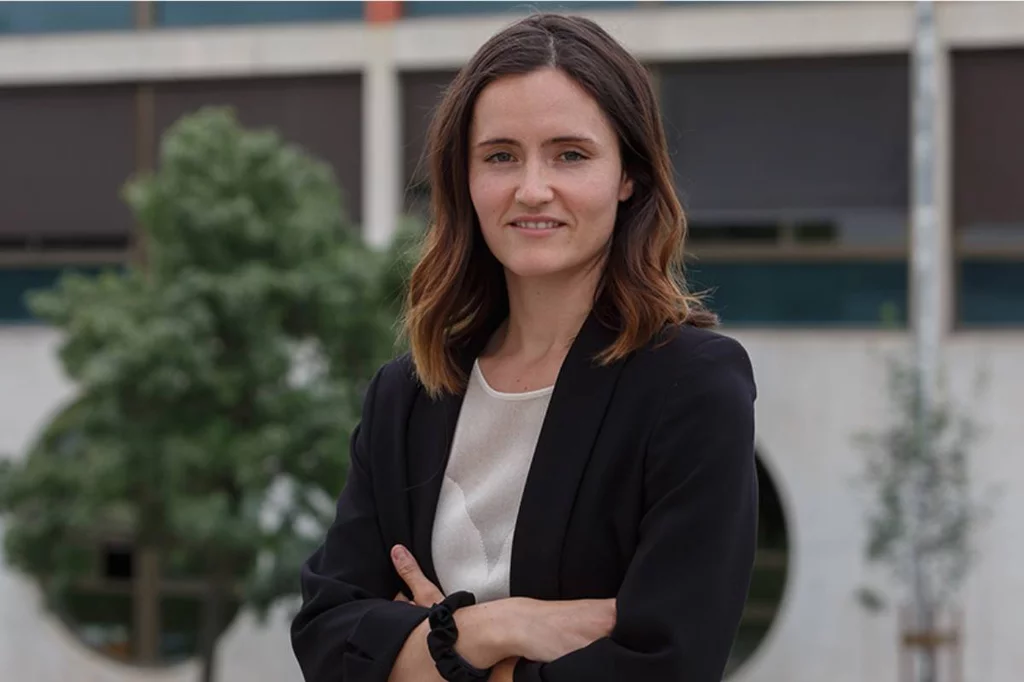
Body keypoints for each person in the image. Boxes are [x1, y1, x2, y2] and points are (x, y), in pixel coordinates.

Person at [291, 12, 757, 682]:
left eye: (570, 154)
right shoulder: (406, 396)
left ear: (629, 176)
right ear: (466, 178)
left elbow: (665, 666)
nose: (531, 189)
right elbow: (326, 643)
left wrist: (426, 649)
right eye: (501, 155)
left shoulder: (692, 387)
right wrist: (498, 627)